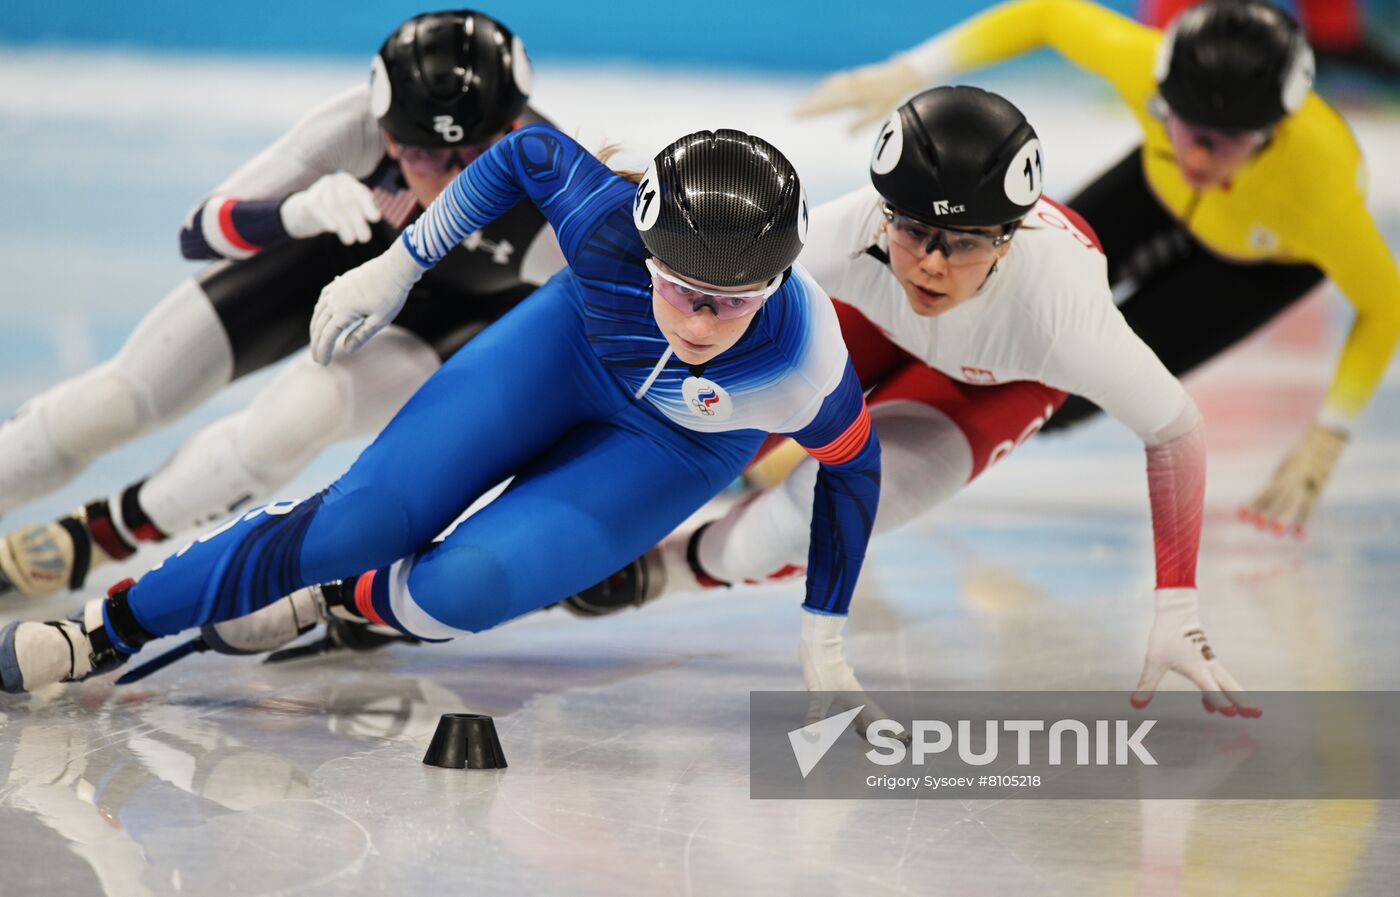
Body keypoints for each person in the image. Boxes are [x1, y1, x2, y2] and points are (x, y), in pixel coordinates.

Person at [0, 123, 884, 727]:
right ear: (644, 248)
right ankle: (103, 629)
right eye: (680, 287)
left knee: (466, 589)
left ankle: (339, 598)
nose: (697, 321)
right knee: (361, 520)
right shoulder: (607, 224)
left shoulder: (805, 361)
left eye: (732, 302)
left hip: (680, 442)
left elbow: (855, 469)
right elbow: (528, 155)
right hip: (569, 344)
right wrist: (402, 264)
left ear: (777, 283)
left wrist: (824, 627)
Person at [572, 86, 1258, 715]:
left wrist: (1177, 603)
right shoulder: (850, 232)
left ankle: (663, 572)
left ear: (1010, 237)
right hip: (873, 319)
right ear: (884, 212)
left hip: (994, 379)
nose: (930, 263)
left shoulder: (1064, 315)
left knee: (813, 516)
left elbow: (1177, 430)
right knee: (712, 410)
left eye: (962, 242)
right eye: (911, 231)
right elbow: (693, 285)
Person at [0, 9, 562, 599]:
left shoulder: (551, 189)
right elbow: (199, 230)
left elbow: (620, 310)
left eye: (479, 155)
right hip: (325, 259)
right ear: (389, 137)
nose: (454, 183)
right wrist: (293, 213)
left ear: (512, 129)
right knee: (116, 400)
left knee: (302, 412)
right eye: (425, 154)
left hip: (452, 311)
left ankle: (93, 538)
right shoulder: (355, 126)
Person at [794, 0, 1400, 539]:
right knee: (989, 290)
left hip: (1259, 264)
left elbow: (1385, 303)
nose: (1193, 154)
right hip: (1153, 188)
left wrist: (1329, 435)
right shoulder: (1145, 70)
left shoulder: (1320, 194)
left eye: (1219, 142)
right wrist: (912, 69)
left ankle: (864, 455)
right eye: (1180, 123)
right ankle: (822, 437)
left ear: (1275, 132)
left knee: (1059, 384)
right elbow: (1049, 15)